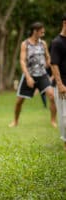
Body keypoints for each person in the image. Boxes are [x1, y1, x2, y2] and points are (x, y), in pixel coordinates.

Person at [9, 22, 57, 128]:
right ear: (35, 31)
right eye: (41, 31)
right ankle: (15, 121)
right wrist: (28, 77)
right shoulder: (25, 44)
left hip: (42, 75)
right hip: (29, 75)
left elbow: (48, 57)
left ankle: (53, 121)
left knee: (52, 96)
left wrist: (49, 64)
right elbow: (22, 61)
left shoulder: (43, 43)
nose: (43, 32)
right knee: (19, 101)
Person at [50, 13, 66, 150]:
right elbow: (54, 64)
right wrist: (60, 84)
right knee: (64, 117)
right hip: (63, 86)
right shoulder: (57, 43)